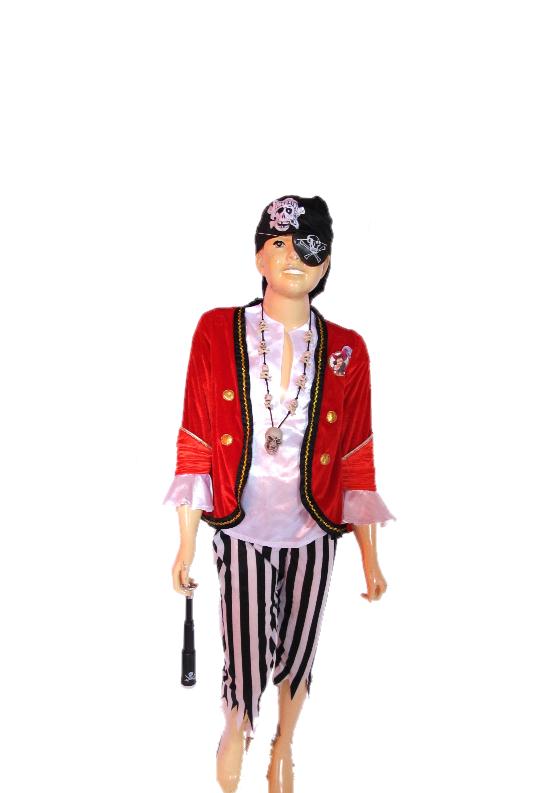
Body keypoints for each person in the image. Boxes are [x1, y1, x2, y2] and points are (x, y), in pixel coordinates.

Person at [163, 194, 396, 793]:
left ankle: (284, 744)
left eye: (309, 248)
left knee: (300, 645)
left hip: (314, 530)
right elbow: (195, 437)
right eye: (279, 243)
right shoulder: (217, 331)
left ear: (326, 264)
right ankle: (236, 724)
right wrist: (185, 542)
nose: (293, 256)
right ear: (259, 256)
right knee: (243, 647)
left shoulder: (348, 350)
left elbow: (356, 457)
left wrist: (370, 555)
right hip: (240, 527)